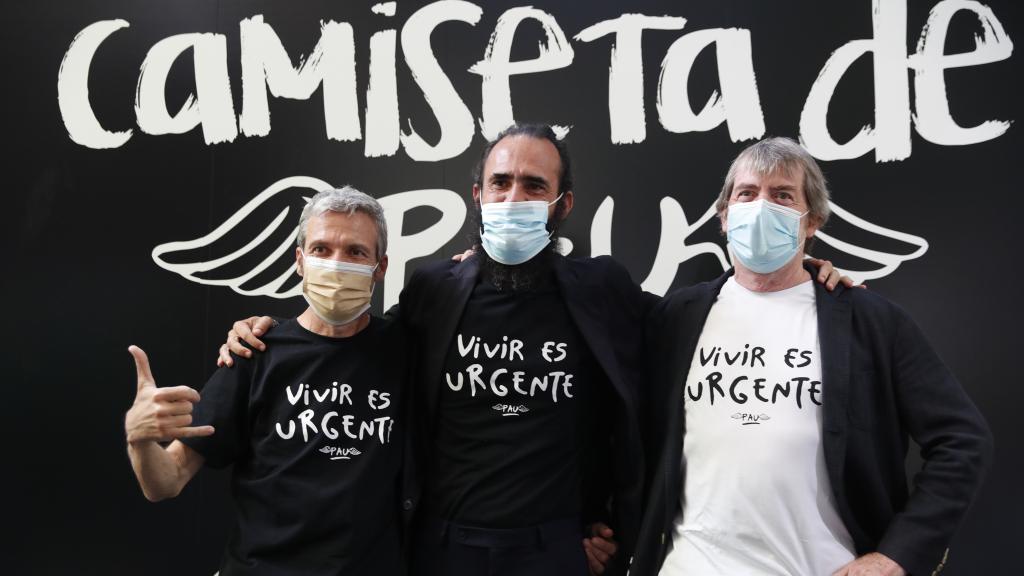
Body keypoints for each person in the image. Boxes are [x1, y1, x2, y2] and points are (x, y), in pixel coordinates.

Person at [220, 124, 850, 576]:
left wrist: (802, 271)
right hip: (443, 546)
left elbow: (698, 321)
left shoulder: (601, 288)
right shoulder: (432, 288)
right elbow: (355, 343)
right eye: (499, 183)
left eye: (532, 184)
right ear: (478, 195)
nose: (513, 197)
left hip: (557, 549)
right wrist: (268, 331)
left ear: (562, 204)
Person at [631, 137, 993, 576]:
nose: (761, 207)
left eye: (782, 195)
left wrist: (896, 556)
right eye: (746, 194)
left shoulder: (870, 322)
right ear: (724, 217)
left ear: (812, 221)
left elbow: (962, 440)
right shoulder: (676, 318)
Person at [125, 187, 408, 576]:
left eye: (356, 252)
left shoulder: (406, 348)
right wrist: (139, 439)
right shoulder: (255, 350)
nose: (336, 264)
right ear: (299, 260)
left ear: (381, 266)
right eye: (321, 249)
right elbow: (165, 482)